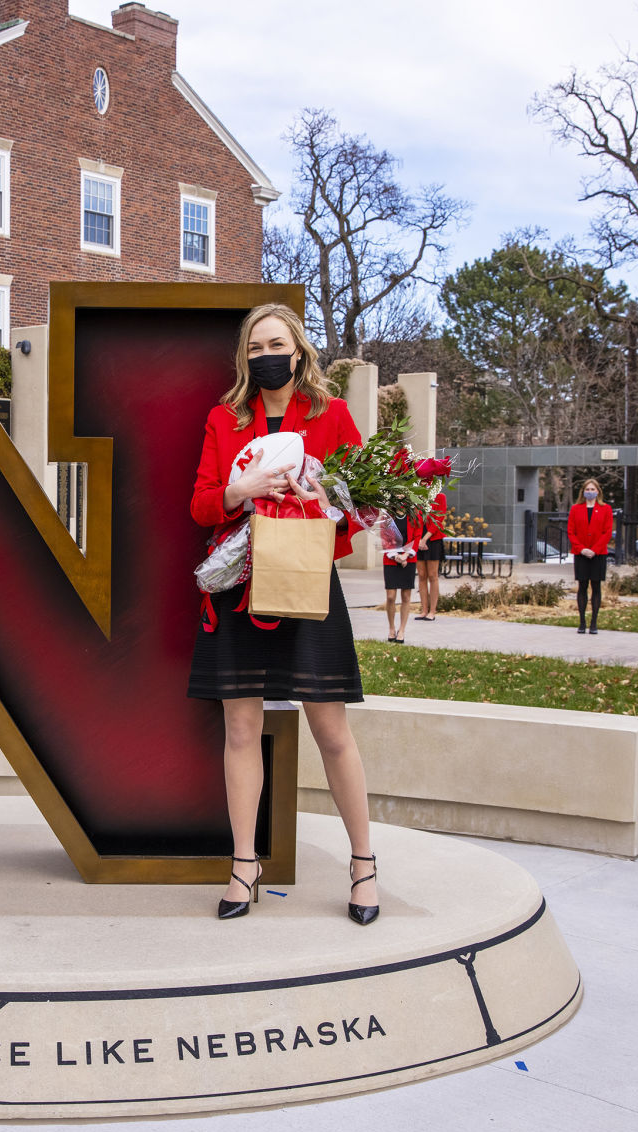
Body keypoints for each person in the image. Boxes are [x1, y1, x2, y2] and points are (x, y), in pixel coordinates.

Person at [189, 302, 380, 925]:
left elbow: (362, 507)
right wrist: (240, 493)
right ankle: (244, 864)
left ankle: (363, 865)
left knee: (332, 733)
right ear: (246, 358)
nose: (265, 355)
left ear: (298, 350)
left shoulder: (333, 416)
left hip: (305, 585)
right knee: (241, 730)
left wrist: (320, 497)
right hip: (240, 588)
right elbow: (200, 505)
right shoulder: (225, 417)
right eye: (254, 347)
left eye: (276, 343)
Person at [567, 478, 613, 634]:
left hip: (598, 554)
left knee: (596, 587)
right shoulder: (576, 509)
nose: (590, 492)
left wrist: (595, 549)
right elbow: (571, 532)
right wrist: (581, 549)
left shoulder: (606, 509)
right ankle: (582, 622)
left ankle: (594, 623)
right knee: (582, 587)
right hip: (581, 554)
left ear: (598, 491)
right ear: (583, 491)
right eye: (588, 489)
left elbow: (607, 532)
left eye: (593, 489)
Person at [383, 511, 426, 643]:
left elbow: (417, 536)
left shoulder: (415, 514)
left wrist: (405, 556)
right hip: (391, 558)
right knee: (390, 596)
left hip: (409, 559)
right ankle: (391, 628)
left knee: (406, 596)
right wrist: (396, 556)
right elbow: (384, 536)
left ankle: (401, 630)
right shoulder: (387, 514)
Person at [416, 488, 447, 621]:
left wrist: (425, 538)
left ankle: (432, 611)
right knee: (422, 575)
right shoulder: (416, 496)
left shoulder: (440, 496)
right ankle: (424, 610)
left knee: (433, 575)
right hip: (418, 539)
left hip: (433, 540)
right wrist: (418, 539)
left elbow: (438, 519)